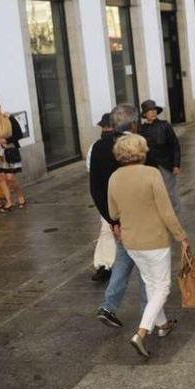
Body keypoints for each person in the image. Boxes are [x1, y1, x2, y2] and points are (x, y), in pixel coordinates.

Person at [108, 133, 190, 358]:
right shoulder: (152, 174)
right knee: (162, 287)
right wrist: (181, 236)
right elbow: (166, 210)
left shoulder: (114, 177)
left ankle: (162, 325)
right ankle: (141, 333)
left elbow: (113, 212)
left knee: (150, 283)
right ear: (141, 151)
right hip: (154, 239)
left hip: (131, 241)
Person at [91, 104, 147, 329]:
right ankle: (150, 315)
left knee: (124, 259)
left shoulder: (98, 146)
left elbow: (95, 188)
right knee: (146, 263)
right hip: (138, 217)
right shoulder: (136, 145)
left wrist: (112, 220)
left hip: (115, 216)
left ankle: (108, 306)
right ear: (134, 124)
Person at [139, 100, 182, 213]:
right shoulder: (141, 130)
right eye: (149, 111)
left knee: (170, 192)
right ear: (144, 114)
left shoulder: (165, 126)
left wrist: (176, 164)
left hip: (166, 164)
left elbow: (175, 145)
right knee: (153, 192)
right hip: (150, 166)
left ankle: (174, 215)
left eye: (154, 110)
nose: (153, 113)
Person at [88, 113, 115, 283]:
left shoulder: (126, 142)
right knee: (107, 230)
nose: (105, 130)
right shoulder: (95, 147)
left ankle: (105, 264)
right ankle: (104, 265)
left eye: (108, 127)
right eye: (104, 127)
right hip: (108, 196)